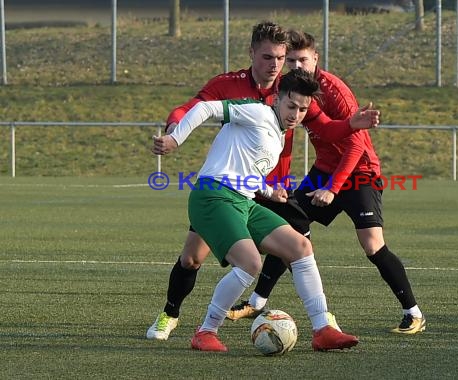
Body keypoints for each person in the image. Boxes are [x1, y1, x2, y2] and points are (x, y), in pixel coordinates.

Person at [146, 21, 378, 341]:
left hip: (265, 189)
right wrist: (174, 132)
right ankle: (172, 316)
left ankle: (321, 322)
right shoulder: (236, 89)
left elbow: (325, 128)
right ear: (252, 53)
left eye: (281, 58)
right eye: (268, 57)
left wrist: (351, 124)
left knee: (298, 244)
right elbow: (193, 109)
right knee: (192, 258)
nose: (276, 65)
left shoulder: (292, 92)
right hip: (224, 189)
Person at [227, 30, 426, 334]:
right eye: (289, 60)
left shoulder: (335, 91)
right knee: (288, 228)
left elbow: (356, 146)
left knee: (373, 246)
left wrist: (333, 188)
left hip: (359, 173)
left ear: (315, 59)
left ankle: (413, 313)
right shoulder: (291, 89)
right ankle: (256, 302)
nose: (295, 66)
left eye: (302, 60)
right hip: (322, 172)